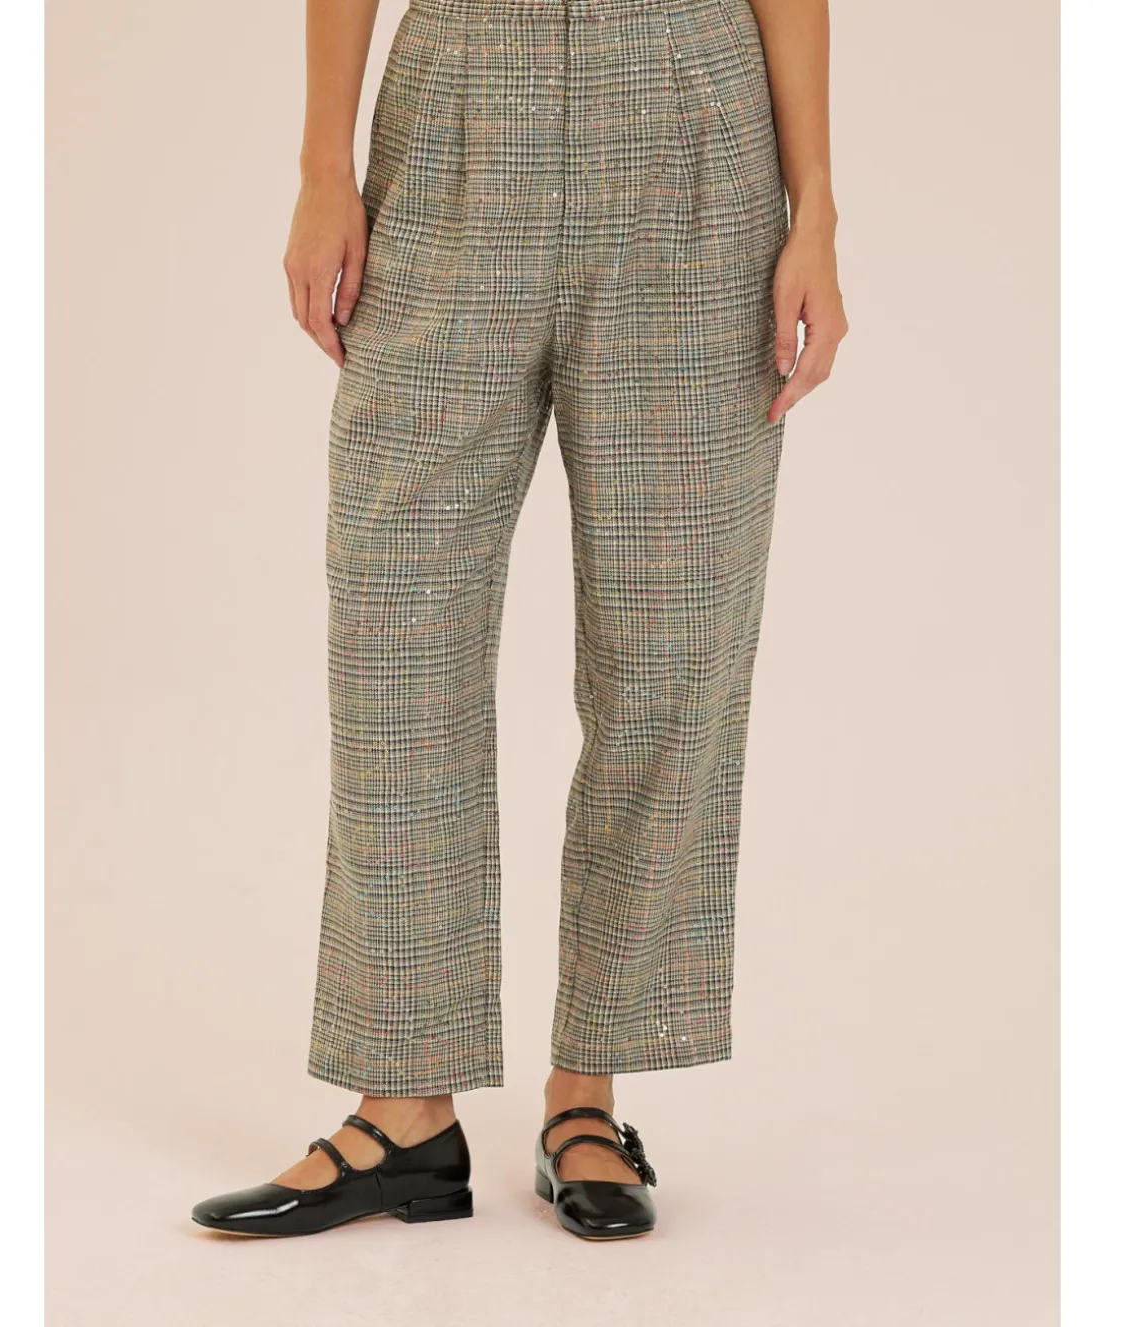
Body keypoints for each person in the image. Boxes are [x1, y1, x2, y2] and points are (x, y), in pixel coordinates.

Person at [192, 0, 846, 1242]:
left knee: (670, 647)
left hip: (690, 123)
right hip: (454, 102)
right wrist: (323, 166)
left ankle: (587, 1093)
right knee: (394, 626)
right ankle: (402, 1108)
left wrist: (813, 206)